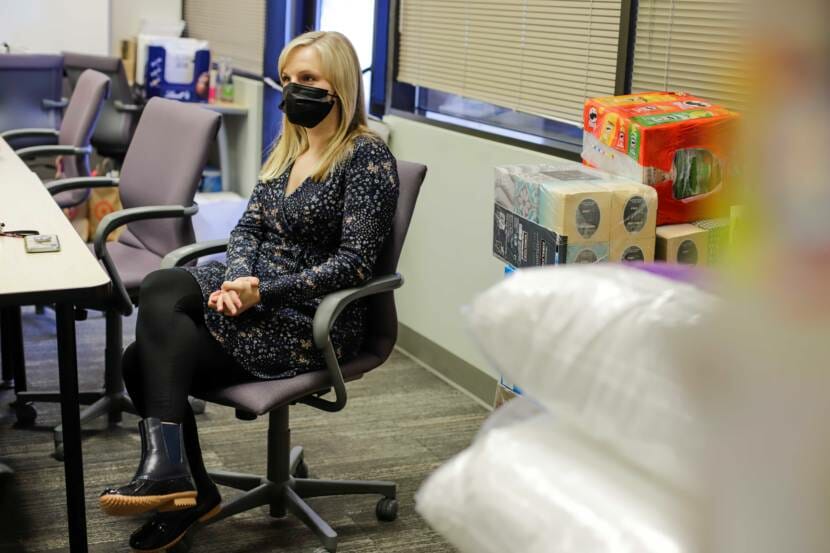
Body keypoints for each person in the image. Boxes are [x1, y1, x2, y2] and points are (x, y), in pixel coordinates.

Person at [99, 30, 400, 551]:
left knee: (137, 361)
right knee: (163, 284)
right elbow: (248, 231)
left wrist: (266, 293)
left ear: (341, 84)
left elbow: (355, 265)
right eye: (287, 80)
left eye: (308, 79)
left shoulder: (366, 160)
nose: (294, 90)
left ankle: (185, 489)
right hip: (259, 292)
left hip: (309, 318)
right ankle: (174, 474)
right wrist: (240, 278)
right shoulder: (289, 149)